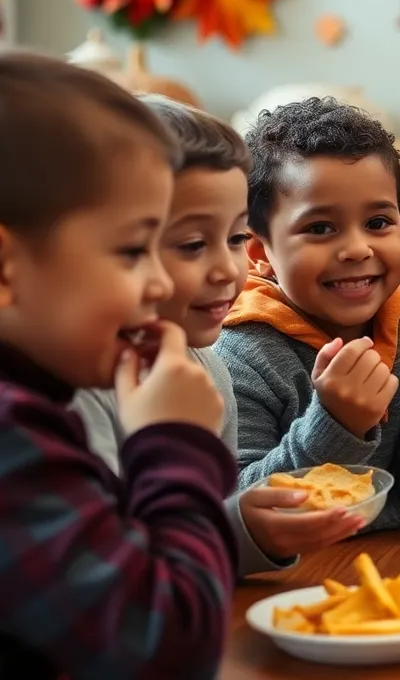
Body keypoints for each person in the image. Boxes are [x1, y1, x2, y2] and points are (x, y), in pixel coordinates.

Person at [0, 53, 235, 676]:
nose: (157, 284)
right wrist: (173, 441)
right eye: (131, 250)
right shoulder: (1, 434)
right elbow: (169, 646)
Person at [73, 95, 363, 576]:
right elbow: (109, 572)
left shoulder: (205, 365)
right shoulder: (79, 391)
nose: (229, 270)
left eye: (234, 239)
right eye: (191, 245)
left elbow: (193, 533)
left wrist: (245, 527)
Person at [213, 97, 400, 530]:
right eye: (320, 228)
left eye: (378, 223)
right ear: (259, 251)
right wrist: (336, 425)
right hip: (287, 584)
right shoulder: (241, 354)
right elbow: (244, 512)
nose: (358, 249)